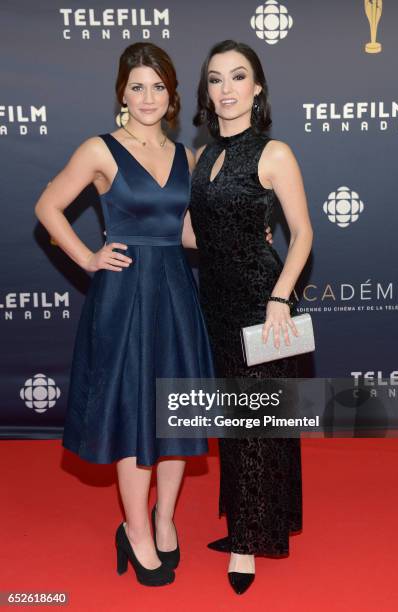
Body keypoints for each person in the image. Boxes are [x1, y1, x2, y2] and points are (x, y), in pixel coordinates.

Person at [34, 42, 216, 587]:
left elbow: (182, 232)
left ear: (172, 93)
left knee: (177, 412)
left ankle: (164, 519)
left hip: (178, 294)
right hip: (125, 295)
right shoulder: (101, 149)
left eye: (158, 86)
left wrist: (231, 241)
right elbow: (48, 206)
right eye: (137, 86)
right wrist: (88, 256)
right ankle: (134, 528)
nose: (148, 96)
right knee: (137, 411)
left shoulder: (187, 157)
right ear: (122, 92)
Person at [189, 39, 313, 595]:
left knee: (258, 425)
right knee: (238, 429)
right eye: (216, 80)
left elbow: (303, 232)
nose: (227, 90)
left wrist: (281, 298)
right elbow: (194, 234)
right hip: (214, 305)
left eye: (239, 77)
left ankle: (246, 542)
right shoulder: (202, 158)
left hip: (265, 306)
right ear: (206, 92)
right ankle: (259, 516)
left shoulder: (274, 153)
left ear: (257, 87)